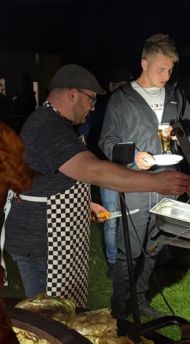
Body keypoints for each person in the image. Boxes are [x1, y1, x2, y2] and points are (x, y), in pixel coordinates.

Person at [4, 63, 190, 308]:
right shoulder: (49, 128)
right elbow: (93, 170)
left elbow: (53, 177)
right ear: (73, 94)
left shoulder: (55, 122)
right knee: (52, 316)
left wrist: (84, 204)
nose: (93, 107)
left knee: (68, 310)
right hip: (42, 241)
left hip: (53, 235)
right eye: (91, 99)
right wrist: (155, 182)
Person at [99, 33, 190, 319]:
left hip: (168, 182)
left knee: (156, 245)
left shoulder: (175, 95)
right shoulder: (122, 99)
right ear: (144, 63)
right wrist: (134, 156)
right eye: (161, 69)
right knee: (130, 250)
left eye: (170, 69)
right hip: (136, 184)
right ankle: (120, 307)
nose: (167, 76)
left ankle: (139, 299)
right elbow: (107, 142)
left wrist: (180, 135)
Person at [78, 68, 132, 277]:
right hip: (107, 170)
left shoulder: (129, 105)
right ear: (112, 86)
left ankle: (127, 259)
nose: (125, 90)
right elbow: (84, 133)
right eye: (121, 85)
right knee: (111, 218)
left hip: (129, 168)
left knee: (129, 217)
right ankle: (113, 262)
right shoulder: (101, 108)